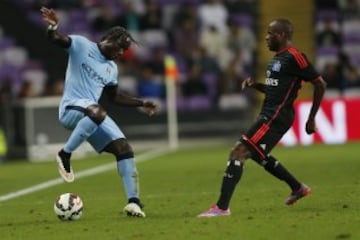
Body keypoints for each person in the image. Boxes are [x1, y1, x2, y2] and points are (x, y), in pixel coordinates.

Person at [198, 18, 327, 217]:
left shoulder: (295, 57)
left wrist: (311, 118)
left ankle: (221, 208)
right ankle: (297, 188)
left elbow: (320, 84)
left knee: (239, 151)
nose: (266, 38)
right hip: (270, 112)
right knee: (258, 155)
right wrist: (255, 85)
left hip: (276, 115)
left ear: (283, 36)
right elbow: (274, 89)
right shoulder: (275, 59)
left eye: (271, 34)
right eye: (266, 33)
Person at [40, 7, 158, 218]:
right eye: (121, 46)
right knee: (97, 111)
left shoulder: (112, 68)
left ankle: (133, 202)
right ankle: (65, 154)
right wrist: (53, 26)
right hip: (72, 109)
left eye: (124, 50)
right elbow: (55, 39)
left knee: (124, 148)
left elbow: (115, 97)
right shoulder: (81, 45)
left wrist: (141, 103)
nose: (121, 52)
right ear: (110, 38)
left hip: (92, 115)